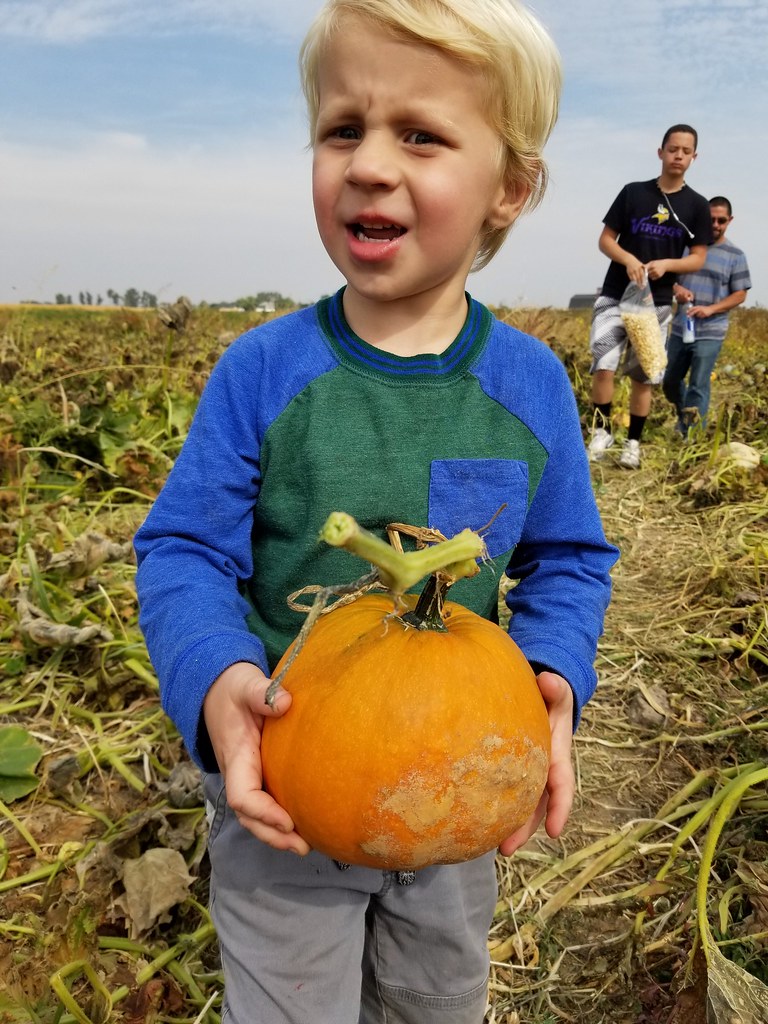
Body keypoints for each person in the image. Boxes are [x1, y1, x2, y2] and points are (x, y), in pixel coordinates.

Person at [134, 2, 618, 1021]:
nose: (368, 163)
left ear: (511, 188)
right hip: (287, 795)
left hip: (458, 792)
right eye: (343, 128)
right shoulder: (265, 371)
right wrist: (218, 679)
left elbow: (570, 558)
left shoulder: (529, 384)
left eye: (422, 135)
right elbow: (182, 546)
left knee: (435, 1002)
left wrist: (553, 680)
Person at [587, 124, 712, 469]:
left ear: (694, 157)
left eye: (686, 151)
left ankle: (633, 443)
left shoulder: (697, 206)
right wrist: (627, 259)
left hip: (655, 302)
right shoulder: (633, 193)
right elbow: (606, 240)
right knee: (604, 364)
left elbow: (698, 256)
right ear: (660, 152)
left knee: (644, 375)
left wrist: (668, 265)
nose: (678, 156)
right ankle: (601, 431)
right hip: (615, 293)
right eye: (673, 149)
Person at [663, 196, 752, 435]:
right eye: (711, 219)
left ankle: (692, 434)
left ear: (729, 221)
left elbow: (740, 294)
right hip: (682, 327)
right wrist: (677, 290)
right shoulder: (686, 248)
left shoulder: (735, 255)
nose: (715, 224)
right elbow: (669, 279)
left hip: (711, 329)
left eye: (721, 220)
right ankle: (685, 415)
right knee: (670, 380)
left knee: (699, 384)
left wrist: (711, 309)